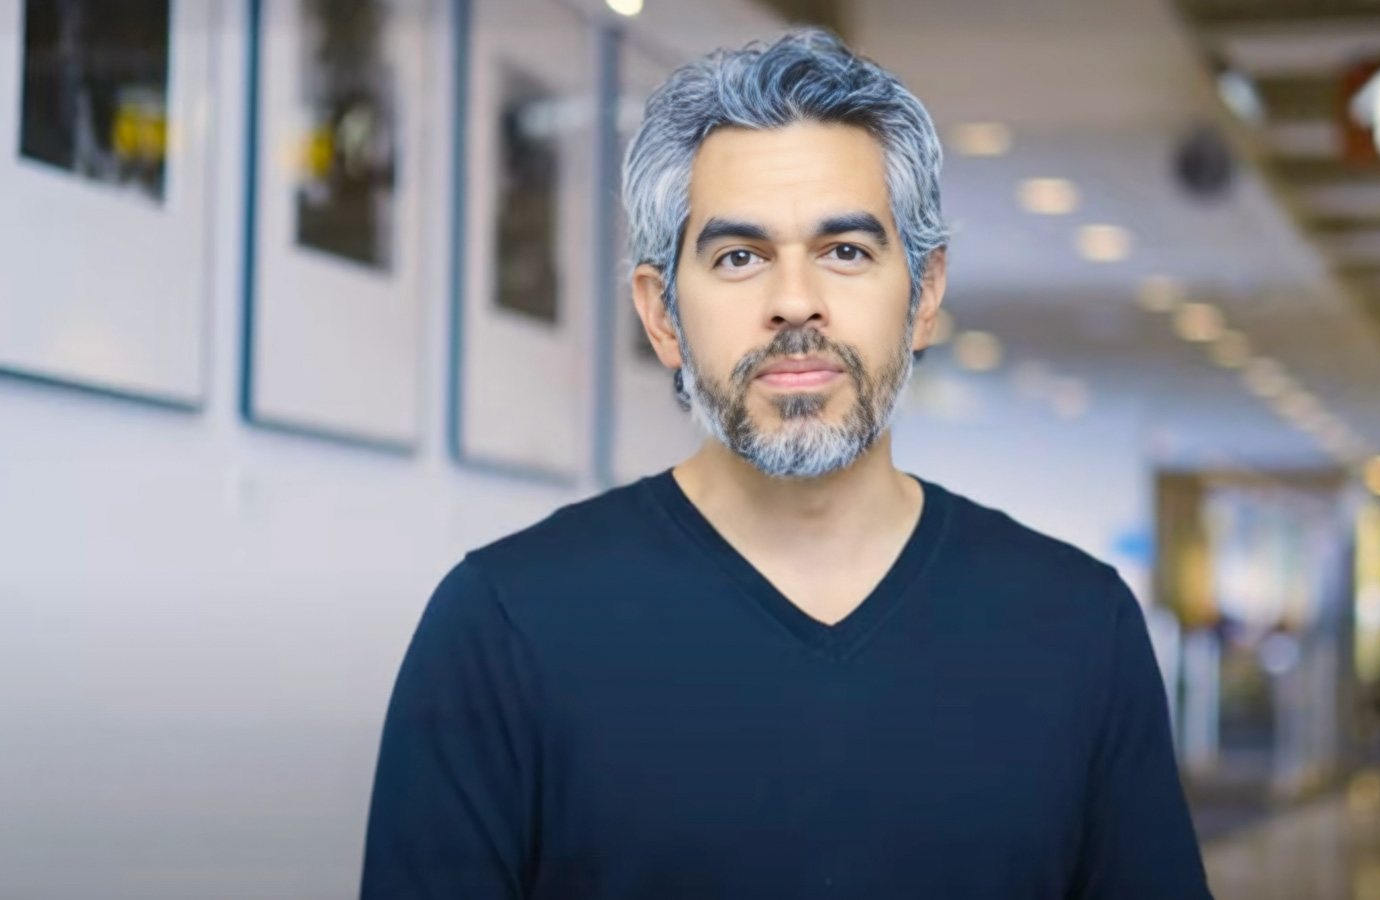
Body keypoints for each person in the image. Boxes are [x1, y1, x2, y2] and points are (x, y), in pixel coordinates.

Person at [359, 29, 1212, 899]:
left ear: (924, 296)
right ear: (662, 317)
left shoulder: (1076, 629)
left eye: (846, 251)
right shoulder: (504, 628)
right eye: (739, 257)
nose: (795, 301)